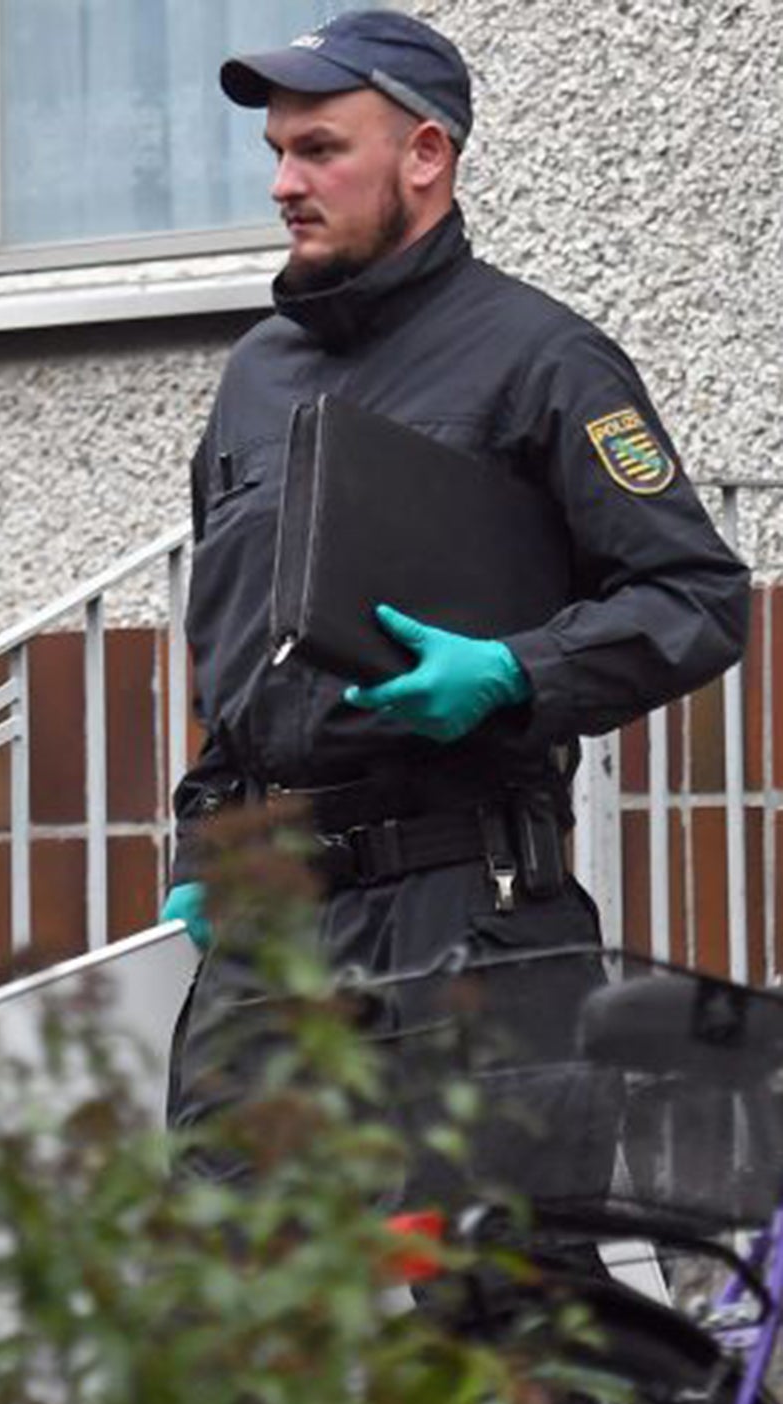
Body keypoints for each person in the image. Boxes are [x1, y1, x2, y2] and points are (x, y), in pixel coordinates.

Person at [160, 12, 749, 1134]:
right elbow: (229, 664)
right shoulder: (253, 377)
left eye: (319, 148)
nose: (283, 182)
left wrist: (514, 672)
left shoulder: (541, 358)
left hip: (464, 916)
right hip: (269, 935)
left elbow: (695, 596)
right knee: (232, 1292)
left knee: (488, 1299)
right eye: (275, 153)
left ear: (423, 155)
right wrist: (203, 846)